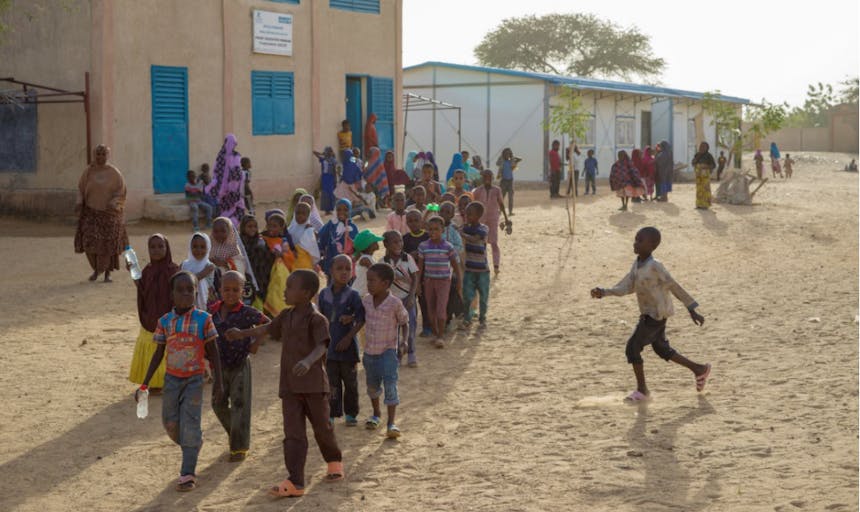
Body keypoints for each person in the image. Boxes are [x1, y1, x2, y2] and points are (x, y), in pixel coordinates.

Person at [226, 270, 345, 497]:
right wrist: (241, 334)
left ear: (307, 293)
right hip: (290, 387)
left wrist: (309, 361)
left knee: (322, 429)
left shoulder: (317, 319)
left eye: (290, 287)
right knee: (293, 434)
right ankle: (296, 481)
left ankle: (334, 462)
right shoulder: (286, 315)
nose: (285, 290)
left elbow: (322, 346)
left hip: (314, 387)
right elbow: (266, 329)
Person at [590, 227, 711, 402]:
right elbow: (626, 287)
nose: (635, 243)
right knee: (662, 349)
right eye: (635, 239)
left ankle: (642, 390)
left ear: (653, 245)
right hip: (649, 313)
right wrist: (604, 292)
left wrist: (691, 308)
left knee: (632, 347)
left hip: (655, 315)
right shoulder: (637, 264)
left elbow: (673, 285)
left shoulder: (655, 266)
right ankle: (699, 369)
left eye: (640, 240)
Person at [135, 270, 224, 492]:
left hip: (194, 380)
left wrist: (219, 382)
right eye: (180, 290)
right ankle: (193, 443)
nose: (186, 294)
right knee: (170, 423)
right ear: (171, 295)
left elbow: (214, 352)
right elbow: (158, 354)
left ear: (196, 292)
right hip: (172, 381)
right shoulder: (165, 322)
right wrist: (145, 383)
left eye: (190, 290)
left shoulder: (204, 320)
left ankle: (187, 473)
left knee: (191, 424)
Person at [209, 271, 269, 462]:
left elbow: (269, 323)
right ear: (220, 290)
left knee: (239, 404)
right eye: (226, 289)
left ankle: (239, 447)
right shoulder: (212, 311)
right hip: (218, 366)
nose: (230, 293)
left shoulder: (247, 312)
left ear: (243, 292)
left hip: (240, 364)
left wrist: (255, 342)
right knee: (217, 403)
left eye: (236, 290)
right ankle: (236, 433)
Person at [361, 263, 410, 438]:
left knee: (390, 384)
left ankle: (391, 423)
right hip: (369, 352)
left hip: (388, 351)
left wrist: (404, 342)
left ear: (385, 283)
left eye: (372, 281)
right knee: (372, 386)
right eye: (368, 281)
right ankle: (376, 414)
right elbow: (360, 319)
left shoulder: (394, 303)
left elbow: (404, 323)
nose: (369, 284)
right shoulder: (366, 300)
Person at [318, 254, 365, 426]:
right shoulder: (323, 295)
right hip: (329, 349)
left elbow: (361, 319)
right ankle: (332, 413)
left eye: (348, 268)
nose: (344, 272)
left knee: (351, 383)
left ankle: (351, 414)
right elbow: (319, 320)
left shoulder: (353, 295)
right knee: (332, 384)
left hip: (348, 349)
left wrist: (348, 336)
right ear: (331, 271)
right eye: (339, 268)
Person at [128, 234, 177, 391]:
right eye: (152, 247)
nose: (156, 250)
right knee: (151, 347)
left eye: (160, 246)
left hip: (168, 320)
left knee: (166, 349)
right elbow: (143, 289)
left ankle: (164, 383)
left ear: (167, 248)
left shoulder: (174, 270)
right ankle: (153, 382)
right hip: (151, 319)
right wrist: (132, 271)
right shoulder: (147, 270)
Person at [74, 144, 128, 283]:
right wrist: (79, 202)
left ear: (107, 156)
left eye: (103, 154)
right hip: (90, 213)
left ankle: (106, 273)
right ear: (94, 155)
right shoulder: (88, 172)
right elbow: (80, 189)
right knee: (89, 243)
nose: (100, 157)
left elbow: (121, 192)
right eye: (98, 154)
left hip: (110, 215)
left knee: (107, 245)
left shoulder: (115, 173)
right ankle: (97, 269)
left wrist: (114, 203)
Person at [418, 216, 462, 348]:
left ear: (442, 230)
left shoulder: (448, 247)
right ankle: (436, 334)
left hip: (444, 281)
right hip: (429, 280)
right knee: (430, 308)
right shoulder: (423, 246)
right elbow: (420, 267)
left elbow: (455, 265)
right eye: (430, 229)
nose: (433, 232)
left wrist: (459, 281)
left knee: (441, 308)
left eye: (436, 229)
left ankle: (441, 336)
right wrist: (419, 283)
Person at [382, 231, 420, 367]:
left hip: (407, 299)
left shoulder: (407, 258)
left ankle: (411, 353)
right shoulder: (383, 262)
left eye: (400, 241)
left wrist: (411, 296)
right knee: (394, 330)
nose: (399, 244)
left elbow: (415, 277)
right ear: (386, 244)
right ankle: (397, 355)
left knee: (410, 326)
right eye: (395, 242)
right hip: (392, 301)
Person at [460, 202, 491, 329]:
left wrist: (462, 233)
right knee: (467, 295)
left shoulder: (483, 229)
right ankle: (468, 318)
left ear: (479, 215)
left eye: (470, 214)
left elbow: (474, 239)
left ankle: (482, 317)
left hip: (482, 269)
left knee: (483, 296)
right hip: (470, 269)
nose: (467, 216)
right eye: (466, 213)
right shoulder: (466, 227)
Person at [472, 169, 509, 274]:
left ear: (492, 178)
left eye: (489, 177)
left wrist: (506, 218)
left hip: (493, 219)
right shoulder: (478, 191)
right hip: (481, 220)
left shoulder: (497, 190)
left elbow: (501, 204)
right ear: (482, 178)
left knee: (494, 243)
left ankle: (496, 266)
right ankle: (484, 265)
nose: (487, 179)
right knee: (482, 243)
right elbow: (473, 203)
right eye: (485, 177)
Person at [205, 134, 246, 227]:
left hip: (221, 193)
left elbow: (216, 173)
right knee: (237, 211)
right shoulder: (235, 156)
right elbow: (236, 173)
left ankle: (226, 228)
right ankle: (229, 229)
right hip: (232, 192)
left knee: (225, 212)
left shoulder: (220, 156)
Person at [261, 210, 297, 316]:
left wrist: (281, 256)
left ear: (281, 228)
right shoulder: (262, 238)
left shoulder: (283, 242)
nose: (271, 229)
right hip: (265, 273)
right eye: (269, 226)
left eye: (275, 226)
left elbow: (291, 258)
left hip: (277, 275)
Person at [403, 210, 431, 337]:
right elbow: (401, 256)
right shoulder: (405, 239)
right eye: (410, 221)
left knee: (425, 303)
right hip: (410, 277)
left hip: (426, 275)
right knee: (410, 303)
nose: (413, 223)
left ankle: (427, 327)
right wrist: (410, 255)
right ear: (406, 222)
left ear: (421, 221)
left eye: (416, 220)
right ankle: (409, 329)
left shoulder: (428, 236)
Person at [318, 198, 358, 280]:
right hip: (331, 258)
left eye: (345, 210)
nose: (342, 212)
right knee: (332, 282)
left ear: (350, 211)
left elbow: (357, 244)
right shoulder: (331, 224)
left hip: (347, 262)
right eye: (339, 210)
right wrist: (321, 250)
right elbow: (322, 236)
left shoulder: (352, 227)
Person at [239, 215, 273, 308]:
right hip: (247, 279)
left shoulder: (261, 241)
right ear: (243, 227)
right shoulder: (239, 243)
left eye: (255, 226)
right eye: (249, 226)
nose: (253, 229)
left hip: (262, 279)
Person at [181, 233, 216, 311]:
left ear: (208, 248)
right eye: (195, 246)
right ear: (190, 247)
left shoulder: (209, 266)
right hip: (186, 301)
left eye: (202, 247)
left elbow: (195, 279)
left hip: (205, 302)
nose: (198, 250)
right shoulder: (184, 265)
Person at [288, 202, 322, 270]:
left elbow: (313, 249)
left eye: (303, 214)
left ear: (308, 215)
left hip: (305, 264)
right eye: (298, 213)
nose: (300, 216)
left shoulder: (310, 230)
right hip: (290, 261)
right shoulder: (290, 229)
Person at [352, 229, 384, 297]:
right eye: (375, 242)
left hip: (362, 293)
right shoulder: (365, 259)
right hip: (360, 294)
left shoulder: (367, 257)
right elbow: (377, 273)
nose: (377, 242)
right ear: (368, 245)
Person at [691, 142, 716, 210]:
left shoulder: (709, 156)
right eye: (701, 146)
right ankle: (699, 204)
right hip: (698, 175)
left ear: (707, 148)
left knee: (705, 189)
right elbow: (693, 163)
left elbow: (713, 165)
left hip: (705, 175)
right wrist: (696, 163)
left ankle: (705, 205)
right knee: (699, 189)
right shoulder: (697, 155)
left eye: (703, 147)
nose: (701, 148)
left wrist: (705, 166)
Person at [313, 147, 338, 214]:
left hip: (331, 178)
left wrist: (335, 180)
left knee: (331, 193)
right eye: (326, 151)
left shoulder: (333, 160)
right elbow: (314, 152)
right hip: (324, 177)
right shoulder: (323, 159)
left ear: (331, 152)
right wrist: (322, 153)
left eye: (328, 151)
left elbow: (334, 171)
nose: (327, 153)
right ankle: (326, 210)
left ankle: (330, 209)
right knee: (325, 193)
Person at [496, 148, 519, 215]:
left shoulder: (511, 161)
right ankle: (499, 211)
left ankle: (510, 211)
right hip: (503, 181)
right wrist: (501, 157)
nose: (507, 155)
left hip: (510, 181)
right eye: (505, 153)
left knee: (510, 197)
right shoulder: (502, 162)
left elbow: (516, 164)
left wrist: (513, 158)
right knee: (501, 197)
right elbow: (497, 163)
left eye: (508, 154)